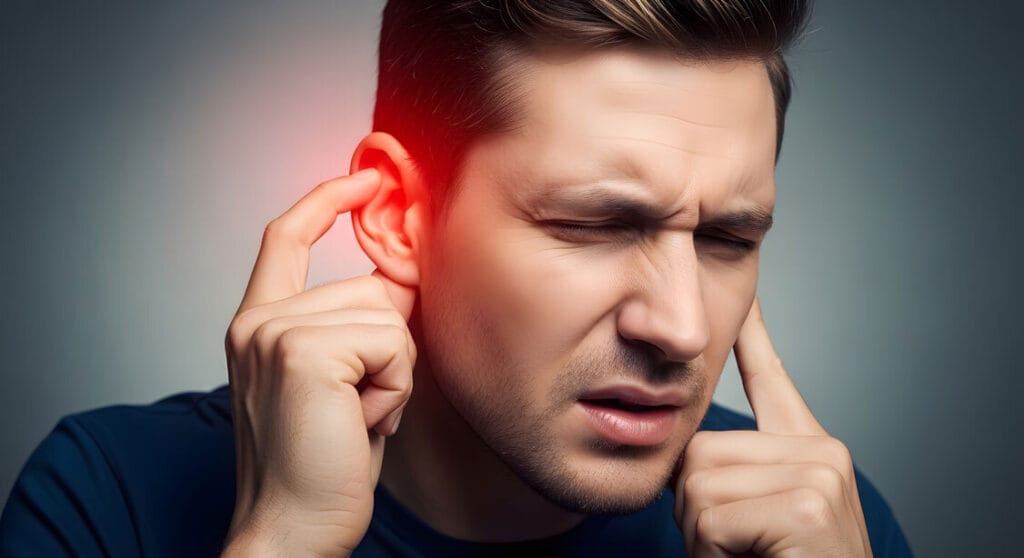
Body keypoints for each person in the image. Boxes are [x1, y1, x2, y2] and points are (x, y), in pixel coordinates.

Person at [1, 1, 914, 556]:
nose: (680, 327)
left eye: (725, 238)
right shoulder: (107, 498)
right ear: (399, 216)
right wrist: (283, 545)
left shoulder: (815, 523)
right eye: (593, 224)